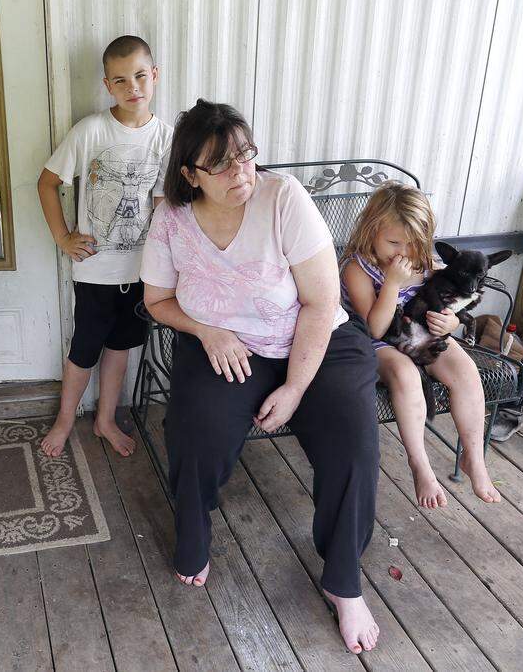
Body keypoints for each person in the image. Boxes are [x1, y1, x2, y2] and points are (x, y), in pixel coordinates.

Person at [141, 99, 381, 654]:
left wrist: (295, 389)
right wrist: (207, 331)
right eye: (221, 165)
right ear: (189, 174)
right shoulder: (171, 219)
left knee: (354, 439)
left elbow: (323, 302)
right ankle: (194, 536)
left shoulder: (283, 198)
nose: (241, 173)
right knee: (196, 428)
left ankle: (344, 582)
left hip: (316, 339)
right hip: (228, 342)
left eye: (246, 157)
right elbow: (157, 301)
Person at [37, 35, 174, 458]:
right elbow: (47, 183)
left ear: (154, 76)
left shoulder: (166, 138)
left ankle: (105, 419)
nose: (132, 87)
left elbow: (162, 207)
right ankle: (64, 421)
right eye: (120, 80)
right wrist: (63, 237)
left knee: (120, 349)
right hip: (95, 272)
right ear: (107, 85)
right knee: (85, 350)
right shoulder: (91, 131)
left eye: (139, 76)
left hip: (140, 274)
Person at [340, 183, 501, 506]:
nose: (403, 252)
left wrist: (453, 322)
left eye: (413, 244)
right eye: (394, 242)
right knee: (405, 374)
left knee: (466, 370)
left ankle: (474, 458)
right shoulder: (358, 269)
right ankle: (420, 464)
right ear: (371, 231)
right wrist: (392, 285)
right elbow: (375, 326)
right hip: (375, 342)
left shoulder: (424, 262)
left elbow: (452, 301)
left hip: (422, 335)